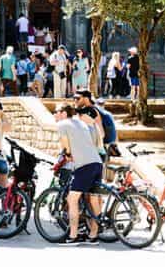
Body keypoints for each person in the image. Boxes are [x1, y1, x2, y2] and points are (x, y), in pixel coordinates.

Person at [53, 104, 102, 244]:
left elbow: (65, 144)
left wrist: (68, 154)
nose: (54, 115)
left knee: (72, 199)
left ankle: (73, 235)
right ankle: (93, 235)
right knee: (93, 199)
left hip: (84, 165)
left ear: (63, 113)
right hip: (97, 163)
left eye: (56, 112)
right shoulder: (80, 123)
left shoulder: (62, 124)